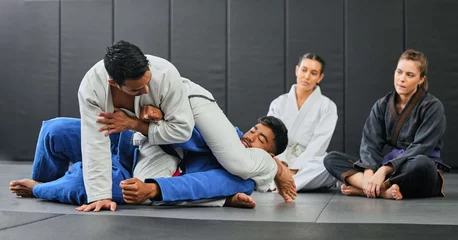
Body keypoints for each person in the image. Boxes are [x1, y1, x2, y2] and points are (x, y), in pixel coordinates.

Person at [74, 40, 295, 211]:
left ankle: (275, 167)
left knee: (238, 164)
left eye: (148, 82)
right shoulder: (91, 91)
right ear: (114, 83)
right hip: (161, 142)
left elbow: (182, 130)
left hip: (190, 102)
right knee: (140, 193)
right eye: (137, 90)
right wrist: (99, 196)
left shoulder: (166, 73)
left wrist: (136, 123)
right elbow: (94, 141)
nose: (146, 93)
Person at [10, 116, 288, 209]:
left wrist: (153, 190)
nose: (251, 137)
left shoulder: (242, 177)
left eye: (261, 139)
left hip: (136, 175)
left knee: (88, 183)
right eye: (254, 130)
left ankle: (38, 189)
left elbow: (200, 182)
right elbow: (190, 130)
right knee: (54, 130)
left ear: (270, 155)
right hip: (126, 144)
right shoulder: (230, 134)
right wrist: (145, 121)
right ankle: (46, 181)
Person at [323, 49, 450, 200]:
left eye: (410, 75)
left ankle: (368, 189)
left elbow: (422, 147)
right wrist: (370, 171)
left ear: (421, 79)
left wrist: (383, 171)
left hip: (414, 170)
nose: (402, 79)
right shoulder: (382, 105)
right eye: (399, 72)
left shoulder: (432, 107)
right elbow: (370, 143)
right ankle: (379, 190)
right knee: (331, 158)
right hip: (391, 173)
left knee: (422, 163)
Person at [267, 53, 337, 191]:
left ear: (320, 77)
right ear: (296, 70)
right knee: (260, 161)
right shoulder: (279, 102)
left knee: (328, 164)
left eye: (313, 73)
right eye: (304, 70)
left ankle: (282, 183)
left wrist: (295, 168)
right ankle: (290, 183)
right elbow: (271, 137)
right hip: (279, 158)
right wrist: (282, 165)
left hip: (309, 161)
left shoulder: (328, 106)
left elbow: (319, 143)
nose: (306, 76)